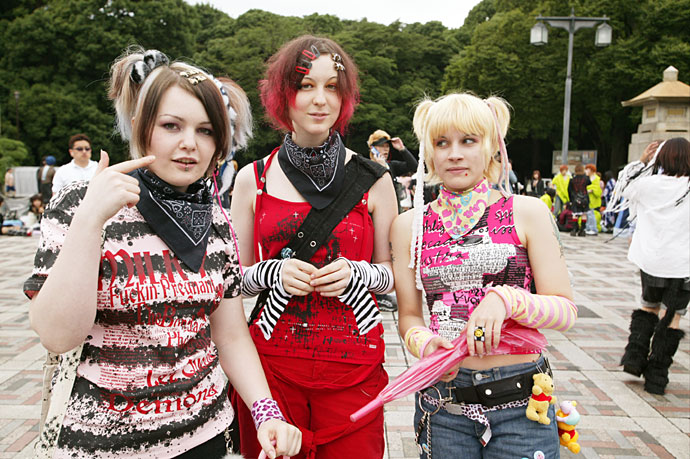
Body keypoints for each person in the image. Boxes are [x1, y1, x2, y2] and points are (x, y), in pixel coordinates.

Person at [24, 47, 300, 459]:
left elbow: (227, 332)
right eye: (172, 126)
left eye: (206, 130)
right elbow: (57, 335)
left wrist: (266, 412)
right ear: (141, 127)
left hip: (206, 435)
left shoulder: (216, 218)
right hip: (100, 444)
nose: (190, 144)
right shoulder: (80, 202)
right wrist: (89, 221)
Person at [230, 35, 397, 459]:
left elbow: (392, 276)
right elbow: (233, 280)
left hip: (353, 369)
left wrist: (357, 274)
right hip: (272, 367)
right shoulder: (254, 178)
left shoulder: (374, 179)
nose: (320, 100)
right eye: (306, 85)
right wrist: (273, 272)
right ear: (281, 95)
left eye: (332, 87)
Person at [391, 92, 577, 458]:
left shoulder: (528, 212)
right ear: (429, 151)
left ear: (491, 145)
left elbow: (565, 311)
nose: (454, 153)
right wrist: (426, 345)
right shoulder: (408, 225)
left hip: (523, 404)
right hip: (444, 405)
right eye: (441, 143)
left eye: (468, 141)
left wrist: (506, 299)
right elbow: (410, 317)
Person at [617, 138, 689, 395]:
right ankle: (657, 375)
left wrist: (643, 161)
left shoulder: (647, 185)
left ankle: (634, 359)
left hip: (652, 260)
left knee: (649, 305)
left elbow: (624, 185)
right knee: (673, 315)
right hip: (683, 264)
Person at [567, 163, 590, 237]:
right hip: (585, 199)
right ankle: (582, 230)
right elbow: (589, 183)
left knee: (575, 214)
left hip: (575, 198)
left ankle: (574, 229)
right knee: (584, 214)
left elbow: (569, 190)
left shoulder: (572, 179)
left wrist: (571, 199)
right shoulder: (586, 178)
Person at [584, 164, 602, 235]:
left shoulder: (596, 178)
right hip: (588, 198)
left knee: (591, 214)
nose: (586, 171)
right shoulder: (587, 178)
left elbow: (597, 189)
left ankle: (593, 228)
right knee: (588, 214)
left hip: (593, 199)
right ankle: (588, 228)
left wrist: (590, 189)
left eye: (587, 169)